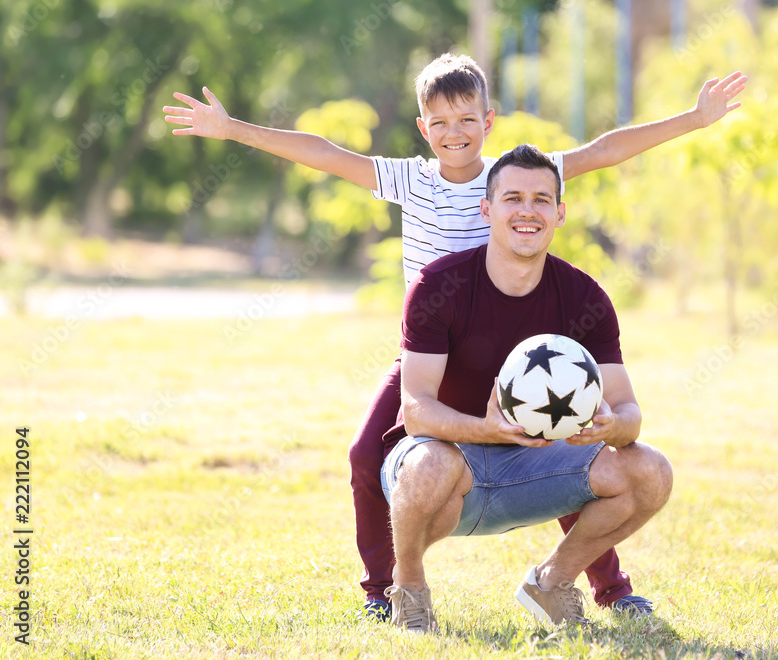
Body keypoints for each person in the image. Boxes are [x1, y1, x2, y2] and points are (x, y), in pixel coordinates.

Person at [163, 53, 743, 620]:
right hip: (434, 356)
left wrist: (693, 119)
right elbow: (325, 154)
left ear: (488, 123)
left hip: (517, 355)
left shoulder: (515, 177)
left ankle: (607, 587)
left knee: (564, 444)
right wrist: (232, 128)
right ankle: (383, 590)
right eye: (439, 122)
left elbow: (606, 150)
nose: (454, 132)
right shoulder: (408, 179)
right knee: (366, 456)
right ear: (423, 127)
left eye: (467, 119)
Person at [380, 144, 673, 632]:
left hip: (539, 467)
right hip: (451, 465)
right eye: (512, 197)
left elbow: (630, 413)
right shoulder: (439, 285)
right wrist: (485, 428)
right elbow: (416, 412)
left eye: (541, 200)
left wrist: (611, 425)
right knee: (430, 463)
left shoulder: (585, 297)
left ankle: (551, 583)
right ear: (486, 209)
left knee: (651, 472)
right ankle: (409, 589)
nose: (527, 211)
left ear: (559, 213)